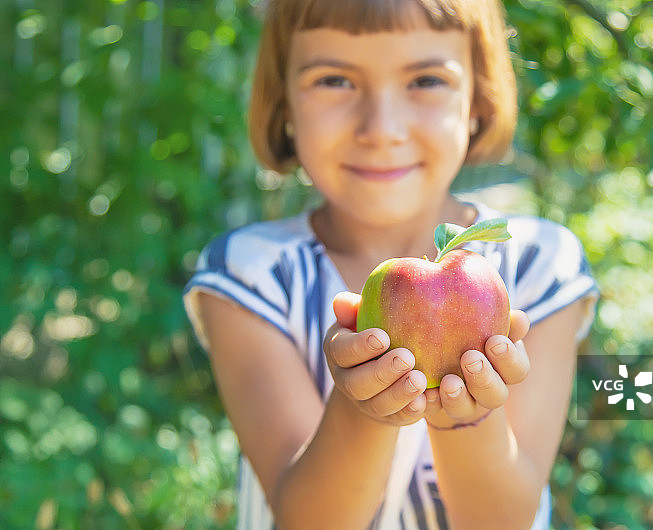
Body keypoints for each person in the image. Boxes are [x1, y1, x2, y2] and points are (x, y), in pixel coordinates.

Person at [183, 0, 598, 528]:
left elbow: (501, 519)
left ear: (479, 97)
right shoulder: (253, 275)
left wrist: (467, 419)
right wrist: (364, 410)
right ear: (283, 103)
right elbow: (306, 519)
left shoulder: (537, 265)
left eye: (425, 80)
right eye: (334, 80)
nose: (381, 128)